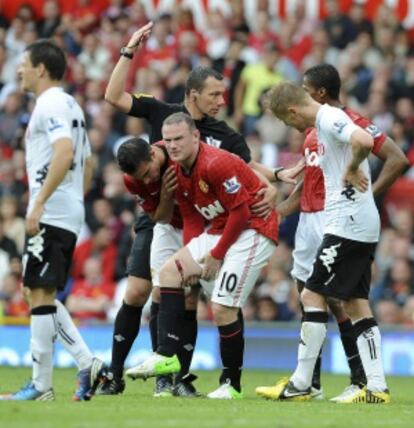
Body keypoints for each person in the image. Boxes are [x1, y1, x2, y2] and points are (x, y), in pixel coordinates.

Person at [99, 22, 302, 397]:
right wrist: (129, 50)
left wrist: (272, 178)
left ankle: (175, 379)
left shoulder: (224, 137)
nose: (221, 101)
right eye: (214, 94)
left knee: (196, 296)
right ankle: (122, 372)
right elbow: (114, 97)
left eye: (222, 94)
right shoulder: (165, 114)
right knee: (146, 289)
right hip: (170, 217)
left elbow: (242, 168)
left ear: (193, 138)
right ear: (193, 95)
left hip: (213, 218)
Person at [257, 64, 409, 402]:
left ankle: (302, 383)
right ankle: (376, 388)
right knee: (356, 305)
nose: (291, 128)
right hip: (354, 222)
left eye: (287, 121)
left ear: (295, 108)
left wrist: (354, 168)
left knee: (312, 296)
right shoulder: (322, 124)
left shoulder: (328, 117)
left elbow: (364, 139)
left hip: (346, 223)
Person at [125, 112, 278, 399]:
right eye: (168, 140)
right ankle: (166, 355)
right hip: (220, 228)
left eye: (179, 139)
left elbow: (241, 211)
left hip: (253, 229)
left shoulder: (215, 162)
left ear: (195, 136)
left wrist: (216, 254)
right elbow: (191, 218)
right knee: (169, 273)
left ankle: (231, 385)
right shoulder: (177, 169)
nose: (172, 145)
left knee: (222, 308)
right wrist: (191, 256)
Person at [0, 40, 104, 401]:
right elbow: (88, 164)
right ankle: (86, 361)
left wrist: (41, 201)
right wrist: (74, 197)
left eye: (25, 64)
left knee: (39, 290)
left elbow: (65, 151)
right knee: (36, 289)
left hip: (52, 209)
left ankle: (42, 386)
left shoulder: (50, 103)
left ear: (41, 68)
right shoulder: (71, 104)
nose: (19, 70)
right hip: (66, 207)